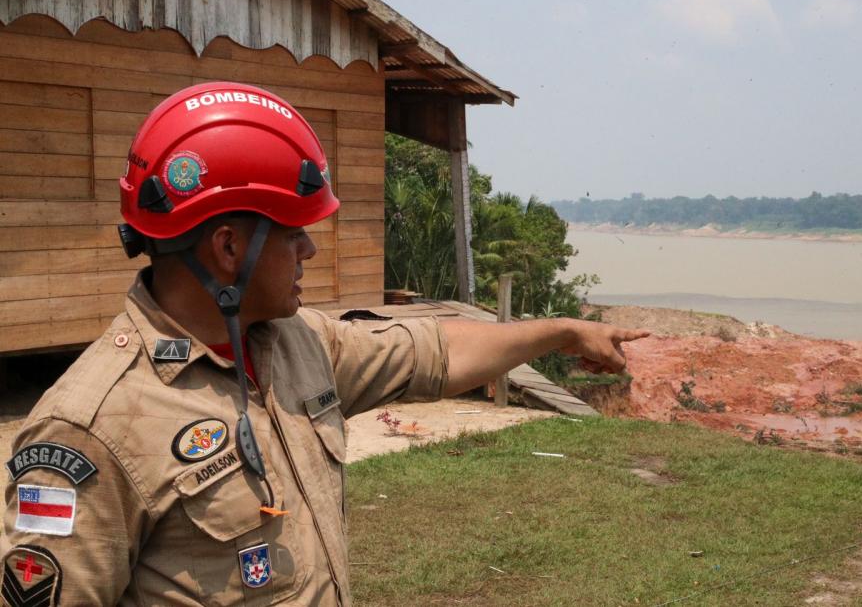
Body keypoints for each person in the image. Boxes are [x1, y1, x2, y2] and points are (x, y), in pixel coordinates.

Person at [0, 82, 647, 606]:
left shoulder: (295, 343)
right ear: (227, 248)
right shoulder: (90, 428)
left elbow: (436, 352)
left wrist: (562, 332)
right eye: (291, 233)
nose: (309, 248)